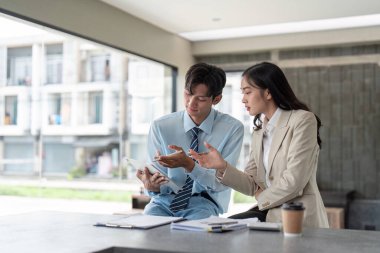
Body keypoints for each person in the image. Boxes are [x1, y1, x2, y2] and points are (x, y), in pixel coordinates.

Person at [189, 62, 329, 227]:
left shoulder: (303, 120)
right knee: (218, 230)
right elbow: (251, 183)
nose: (243, 99)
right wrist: (222, 166)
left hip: (299, 218)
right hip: (271, 215)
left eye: (248, 92)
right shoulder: (259, 132)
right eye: (242, 93)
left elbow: (294, 181)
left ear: (268, 92)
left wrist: (261, 196)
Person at [136, 62, 244, 220]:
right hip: (163, 202)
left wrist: (190, 165)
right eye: (188, 94)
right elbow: (156, 175)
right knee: (146, 229)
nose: (191, 103)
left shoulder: (233, 129)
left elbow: (222, 183)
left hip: (204, 203)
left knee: (195, 236)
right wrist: (152, 186)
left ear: (217, 99)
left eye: (200, 98)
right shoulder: (160, 126)